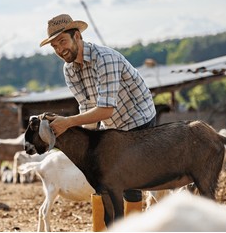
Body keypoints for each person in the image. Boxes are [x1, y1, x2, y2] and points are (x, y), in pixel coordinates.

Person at [39, 14, 157, 221]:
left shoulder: (105, 59)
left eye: (63, 42)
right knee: (101, 180)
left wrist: (68, 123)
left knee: (129, 181)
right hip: (112, 123)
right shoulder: (69, 70)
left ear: (77, 36)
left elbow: (105, 110)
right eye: (54, 46)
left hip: (138, 117)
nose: (59, 50)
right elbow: (87, 108)